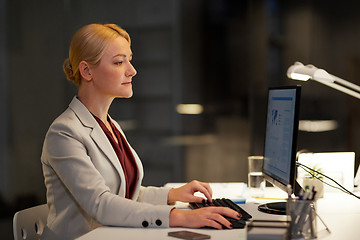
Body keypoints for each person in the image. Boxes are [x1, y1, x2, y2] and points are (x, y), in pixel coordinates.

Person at [40, 23, 240, 239]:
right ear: (87, 71)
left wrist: (173, 194)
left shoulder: (110, 125)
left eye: (129, 59)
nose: (131, 70)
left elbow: (123, 193)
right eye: (119, 62)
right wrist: (179, 217)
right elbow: (100, 203)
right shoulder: (64, 133)